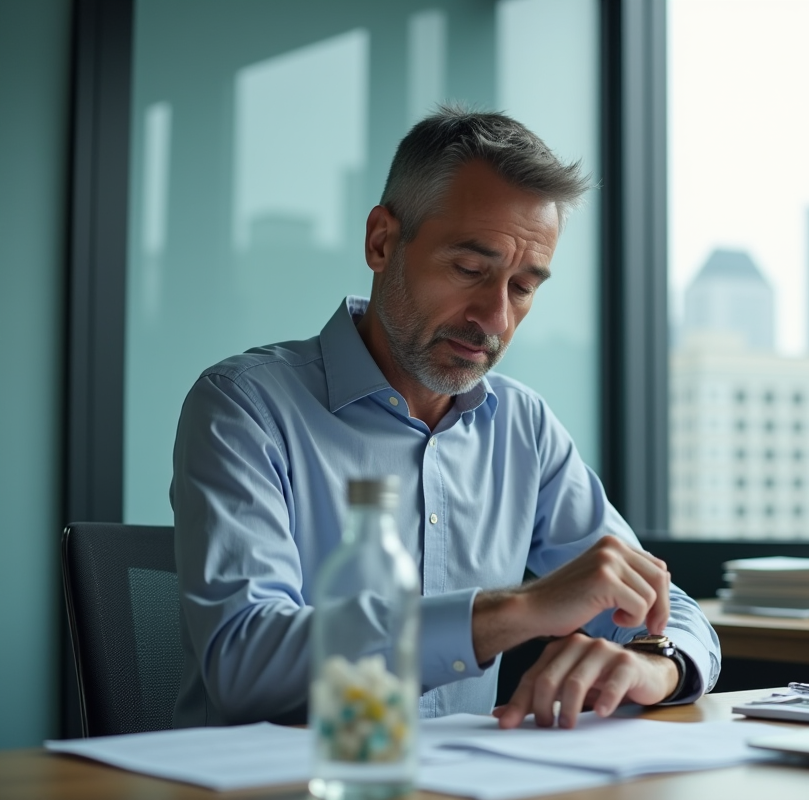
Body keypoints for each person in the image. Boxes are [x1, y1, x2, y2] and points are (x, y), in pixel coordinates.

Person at [171, 107, 721, 730]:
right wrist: (515, 612)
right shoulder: (245, 407)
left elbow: (659, 604)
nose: (495, 318)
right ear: (382, 241)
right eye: (469, 270)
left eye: (522, 287)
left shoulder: (523, 428)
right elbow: (247, 665)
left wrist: (656, 664)